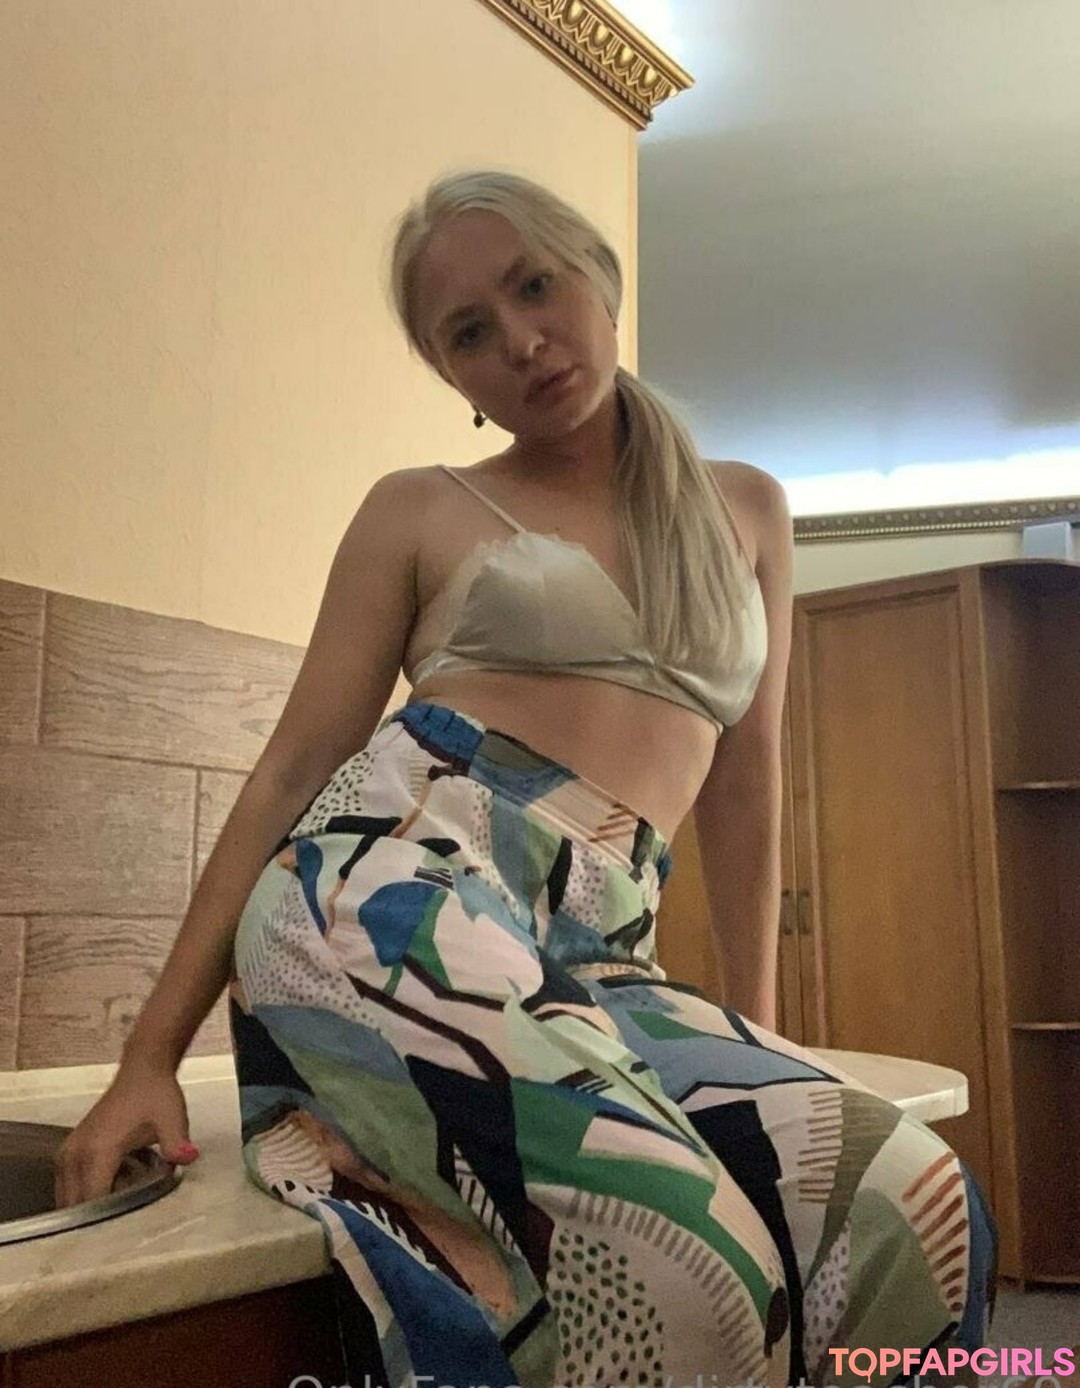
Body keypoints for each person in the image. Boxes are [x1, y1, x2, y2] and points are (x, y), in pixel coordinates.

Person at [57, 170, 995, 1388]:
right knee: (679, 1269)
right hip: (393, 887)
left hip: (602, 946)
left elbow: (744, 787)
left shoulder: (750, 508)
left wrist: (760, 1027)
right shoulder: (420, 508)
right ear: (453, 378)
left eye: (535, 286)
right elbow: (292, 767)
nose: (521, 340)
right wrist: (148, 1055)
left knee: (914, 1209)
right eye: (469, 333)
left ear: (598, 271)